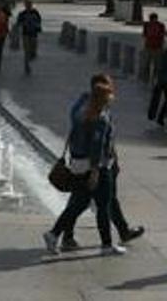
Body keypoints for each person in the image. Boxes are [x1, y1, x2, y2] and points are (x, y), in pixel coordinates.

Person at [59, 74, 144, 252]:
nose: (111, 94)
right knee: (85, 201)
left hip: (88, 161)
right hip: (94, 163)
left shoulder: (85, 105)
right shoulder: (93, 110)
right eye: (108, 90)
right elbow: (97, 140)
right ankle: (63, 234)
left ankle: (121, 231)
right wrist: (96, 167)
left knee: (103, 199)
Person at [44, 80, 124, 255]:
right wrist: (95, 171)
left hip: (79, 165)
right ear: (104, 98)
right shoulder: (101, 118)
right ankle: (106, 245)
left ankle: (53, 234)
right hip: (98, 167)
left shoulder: (81, 113)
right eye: (110, 95)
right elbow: (97, 146)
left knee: (79, 204)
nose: (113, 98)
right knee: (104, 205)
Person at [13, 0, 43, 75]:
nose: (28, 6)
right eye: (27, 4)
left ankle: (30, 59)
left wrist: (37, 26)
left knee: (33, 51)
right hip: (25, 34)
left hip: (34, 33)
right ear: (25, 5)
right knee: (26, 51)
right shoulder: (22, 13)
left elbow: (39, 21)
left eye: (30, 4)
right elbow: (18, 23)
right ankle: (27, 66)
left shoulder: (35, 12)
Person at [141, 12, 167, 82]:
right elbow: (163, 35)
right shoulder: (161, 25)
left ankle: (146, 79)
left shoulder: (147, 25)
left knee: (147, 64)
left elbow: (144, 35)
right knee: (157, 65)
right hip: (157, 47)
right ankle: (154, 79)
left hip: (149, 46)